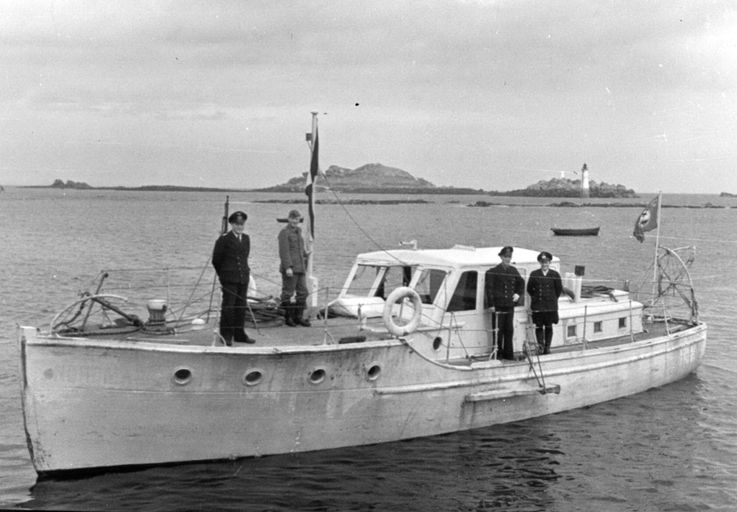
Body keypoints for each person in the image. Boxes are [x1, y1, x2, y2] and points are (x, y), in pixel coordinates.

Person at [212, 211, 255, 345]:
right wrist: (223, 275)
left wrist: (245, 274)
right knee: (228, 307)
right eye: (237, 224)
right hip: (229, 278)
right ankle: (226, 335)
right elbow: (216, 260)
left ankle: (239, 334)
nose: (240, 227)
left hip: (243, 278)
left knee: (240, 307)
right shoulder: (224, 239)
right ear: (232, 224)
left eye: (242, 224)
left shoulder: (246, 238)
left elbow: (244, 257)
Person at [485, 246, 525, 360]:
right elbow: (489, 289)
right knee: (498, 330)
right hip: (498, 306)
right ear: (501, 257)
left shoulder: (513, 270)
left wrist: (518, 294)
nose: (507, 259)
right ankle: (497, 354)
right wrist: (491, 305)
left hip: (509, 305)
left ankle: (508, 354)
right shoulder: (493, 272)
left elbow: (521, 282)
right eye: (506, 257)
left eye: (509, 257)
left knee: (509, 330)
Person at [278, 209, 311, 327]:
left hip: (300, 267)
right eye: (292, 218)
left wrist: (306, 253)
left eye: (297, 219)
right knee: (288, 293)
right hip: (290, 269)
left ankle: (298, 317)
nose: (295, 221)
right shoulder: (284, 233)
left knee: (303, 292)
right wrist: (288, 267)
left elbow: (299, 249)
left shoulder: (299, 231)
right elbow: (284, 252)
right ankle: (288, 318)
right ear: (289, 219)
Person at [526, 251, 563, 355]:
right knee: (538, 327)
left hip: (550, 306)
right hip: (538, 305)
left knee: (548, 326)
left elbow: (558, 290)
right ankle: (540, 347)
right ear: (540, 263)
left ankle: (547, 348)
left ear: (549, 263)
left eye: (546, 262)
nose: (544, 264)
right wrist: (536, 298)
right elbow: (529, 289)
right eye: (542, 262)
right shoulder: (534, 274)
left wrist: (552, 299)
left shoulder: (555, 274)